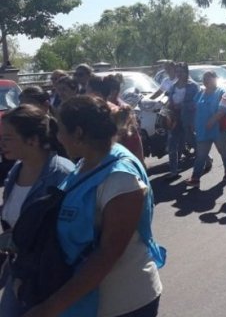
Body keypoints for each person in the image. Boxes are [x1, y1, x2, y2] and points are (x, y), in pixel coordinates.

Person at [25, 95, 164, 316]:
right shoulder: (85, 163)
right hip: (85, 302)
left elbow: (108, 254)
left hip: (124, 303)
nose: (57, 137)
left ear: (78, 133)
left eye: (60, 129)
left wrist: (50, 308)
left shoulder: (120, 178)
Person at [0, 105, 75, 316]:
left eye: (7, 138)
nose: (1, 144)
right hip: (21, 270)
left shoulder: (61, 175)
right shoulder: (17, 169)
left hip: (49, 276)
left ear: (32, 140)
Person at [186, 70, 226, 187]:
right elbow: (194, 108)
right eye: (204, 79)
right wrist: (192, 122)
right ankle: (195, 178)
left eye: (209, 78)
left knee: (223, 152)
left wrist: (213, 120)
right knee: (201, 154)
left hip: (220, 129)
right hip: (203, 130)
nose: (206, 81)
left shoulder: (223, 92)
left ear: (215, 79)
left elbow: (224, 109)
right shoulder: (200, 93)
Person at [165, 62, 199, 178]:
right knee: (172, 144)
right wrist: (170, 106)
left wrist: (183, 105)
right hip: (175, 118)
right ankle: (174, 171)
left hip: (187, 118)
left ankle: (206, 159)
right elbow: (169, 100)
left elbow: (196, 103)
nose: (179, 74)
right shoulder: (173, 86)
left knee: (192, 141)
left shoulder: (193, 86)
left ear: (186, 72)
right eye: (177, 71)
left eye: (181, 71)